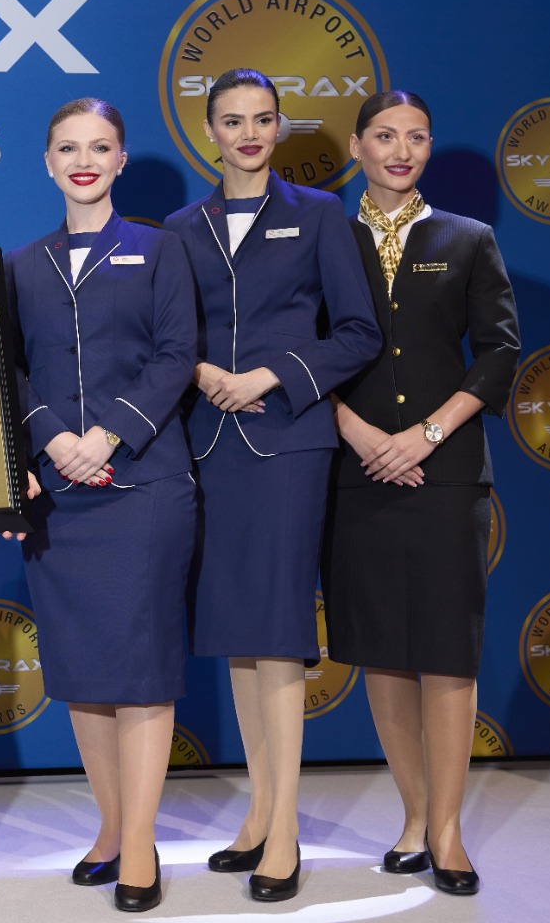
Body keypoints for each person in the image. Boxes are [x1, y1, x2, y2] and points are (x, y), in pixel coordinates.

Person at [163, 68, 380, 903]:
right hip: (208, 445)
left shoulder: (320, 215)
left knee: (279, 633)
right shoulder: (181, 228)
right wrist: (202, 373)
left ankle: (284, 830)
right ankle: (258, 814)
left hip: (289, 441)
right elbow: (168, 334)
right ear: (209, 131)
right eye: (232, 120)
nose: (248, 134)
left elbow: (357, 332)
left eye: (262, 119)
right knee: (239, 635)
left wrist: (271, 375)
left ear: (280, 127)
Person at [322, 91, 519, 897]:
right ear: (357, 146)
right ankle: (412, 818)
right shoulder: (327, 239)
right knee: (384, 652)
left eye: (416, 137)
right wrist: (360, 434)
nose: (400, 151)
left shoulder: (468, 239)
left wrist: (426, 435)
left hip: (446, 473)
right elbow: (306, 352)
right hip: (359, 473)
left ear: (430, 147)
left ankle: (448, 830)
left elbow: (499, 353)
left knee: (444, 652)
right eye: (384, 136)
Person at [4, 98, 197, 913]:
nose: (84, 161)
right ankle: (112, 828)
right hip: (60, 496)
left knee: (142, 670)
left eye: (100, 147)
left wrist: (108, 435)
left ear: (121, 160)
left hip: (144, 485)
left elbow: (177, 354)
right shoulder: (20, 266)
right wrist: (52, 440)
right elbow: (7, 369)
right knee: (83, 670)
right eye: (68, 148)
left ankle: (142, 846)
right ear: (47, 162)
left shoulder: (161, 249)